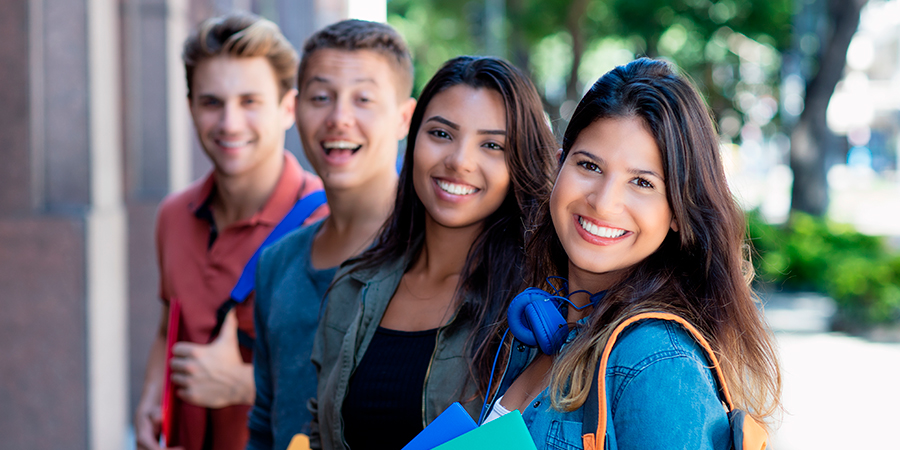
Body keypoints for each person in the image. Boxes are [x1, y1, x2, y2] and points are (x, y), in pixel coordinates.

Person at [484, 58, 782, 449]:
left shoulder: (656, 361)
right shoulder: (547, 332)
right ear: (559, 165)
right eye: (589, 165)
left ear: (678, 210)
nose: (604, 203)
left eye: (642, 182)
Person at [310, 55, 557, 450]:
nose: (459, 161)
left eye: (492, 144)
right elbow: (321, 433)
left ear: (519, 163)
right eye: (441, 134)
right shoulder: (353, 286)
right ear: (413, 139)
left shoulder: (536, 311)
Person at [133, 13, 328, 450]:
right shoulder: (172, 216)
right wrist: (151, 398)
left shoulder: (328, 225)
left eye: (250, 101)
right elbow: (170, 325)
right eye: (211, 102)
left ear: (287, 108)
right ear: (190, 107)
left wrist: (241, 384)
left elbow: (355, 386)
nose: (230, 123)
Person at [247, 20, 417, 450]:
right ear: (295, 107)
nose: (339, 118)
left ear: (403, 118)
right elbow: (265, 421)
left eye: (364, 99)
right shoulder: (277, 263)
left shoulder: (433, 257)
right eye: (321, 98)